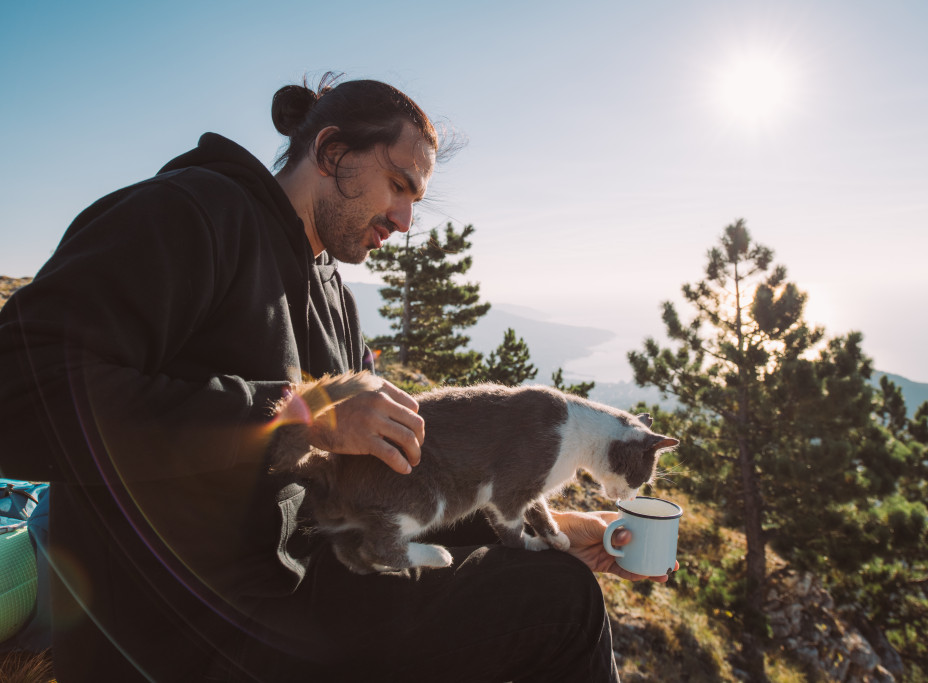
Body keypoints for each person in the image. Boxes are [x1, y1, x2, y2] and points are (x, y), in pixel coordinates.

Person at [0, 74, 673, 682]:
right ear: (331, 153)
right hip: (187, 627)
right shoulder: (189, 215)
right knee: (563, 608)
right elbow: (18, 397)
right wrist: (303, 412)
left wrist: (541, 533)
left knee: (554, 585)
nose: (407, 221)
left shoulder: (332, 295)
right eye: (400, 185)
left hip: (308, 583)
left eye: (417, 198)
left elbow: (364, 497)